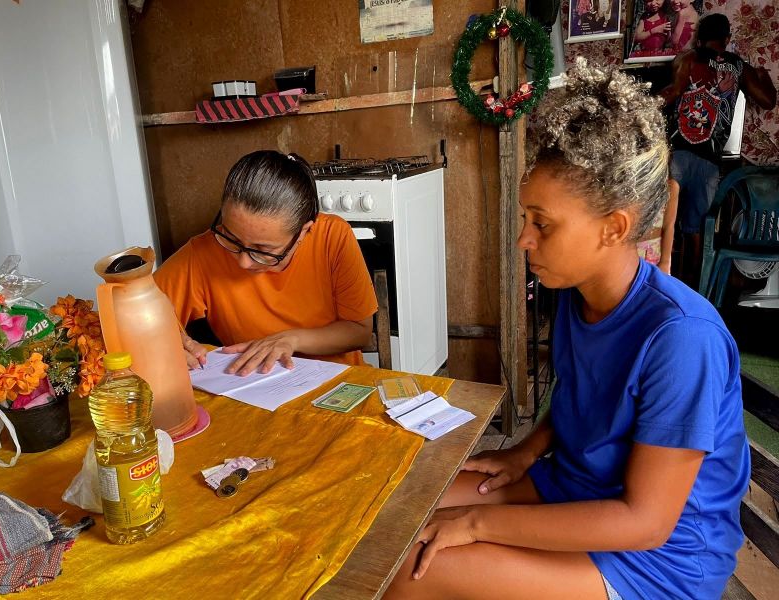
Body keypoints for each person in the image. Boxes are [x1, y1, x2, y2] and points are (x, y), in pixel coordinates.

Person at [385, 58, 749, 600]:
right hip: (575, 488)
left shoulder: (681, 338)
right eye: (526, 219)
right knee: (402, 511)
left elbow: (645, 521)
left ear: (614, 228)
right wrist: (527, 450)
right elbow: (587, 396)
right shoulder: (578, 297)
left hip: (656, 557)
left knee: (419, 563)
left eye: (543, 224)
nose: (524, 240)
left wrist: (479, 525)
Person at [154, 151, 378, 376]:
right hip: (251, 388)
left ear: (303, 232)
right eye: (231, 238)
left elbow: (359, 330)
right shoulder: (203, 252)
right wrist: (160, 340)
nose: (243, 262)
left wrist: (291, 339)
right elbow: (129, 311)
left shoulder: (332, 236)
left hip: (337, 383)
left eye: (263, 251)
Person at [660, 12, 777, 287]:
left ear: (699, 37)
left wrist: (636, 106)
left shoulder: (687, 59)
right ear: (727, 39)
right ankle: (696, 289)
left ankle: (662, 284)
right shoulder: (738, 66)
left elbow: (672, 93)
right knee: (698, 230)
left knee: (665, 224)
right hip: (710, 160)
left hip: (677, 152)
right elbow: (768, 101)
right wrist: (764, 77)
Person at [636, 178, 678, 274]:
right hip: (629, 252)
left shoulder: (670, 186)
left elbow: (669, 226)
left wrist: (665, 262)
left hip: (653, 253)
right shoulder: (633, 182)